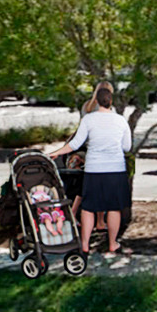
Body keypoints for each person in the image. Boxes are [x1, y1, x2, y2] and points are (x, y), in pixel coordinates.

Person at [49, 84, 132, 255]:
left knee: (88, 207)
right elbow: (127, 147)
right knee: (114, 208)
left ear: (97, 100)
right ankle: (112, 244)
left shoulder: (88, 119)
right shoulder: (121, 120)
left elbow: (75, 144)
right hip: (115, 169)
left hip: (93, 168)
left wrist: (56, 153)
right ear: (111, 101)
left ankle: (85, 244)